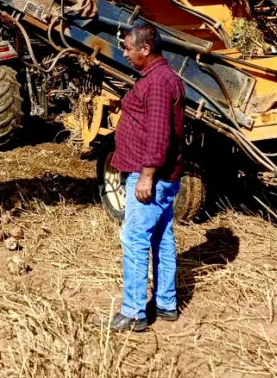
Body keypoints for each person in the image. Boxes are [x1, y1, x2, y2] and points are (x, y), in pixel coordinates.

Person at [99, 21, 185, 332]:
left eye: (128, 47)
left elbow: (159, 134)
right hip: (161, 175)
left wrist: (147, 176)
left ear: (145, 49)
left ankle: (133, 312)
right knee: (162, 239)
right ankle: (165, 303)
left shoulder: (159, 83)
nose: (124, 52)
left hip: (150, 176)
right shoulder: (157, 77)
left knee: (134, 239)